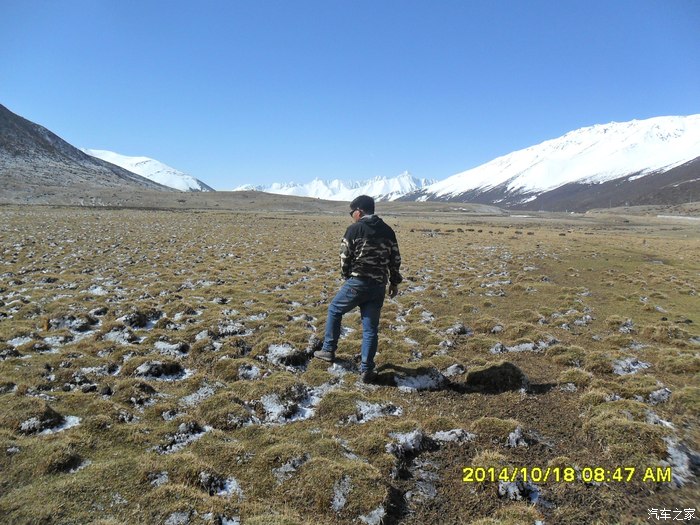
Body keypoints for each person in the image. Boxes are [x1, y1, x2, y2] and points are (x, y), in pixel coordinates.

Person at [314, 195, 402, 383]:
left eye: (351, 212)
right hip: (378, 286)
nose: (351, 215)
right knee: (370, 329)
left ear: (359, 212)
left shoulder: (354, 229)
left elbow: (344, 256)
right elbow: (395, 259)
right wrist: (394, 282)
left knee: (334, 309)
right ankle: (367, 369)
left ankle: (328, 349)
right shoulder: (388, 231)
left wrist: (347, 276)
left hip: (358, 282)